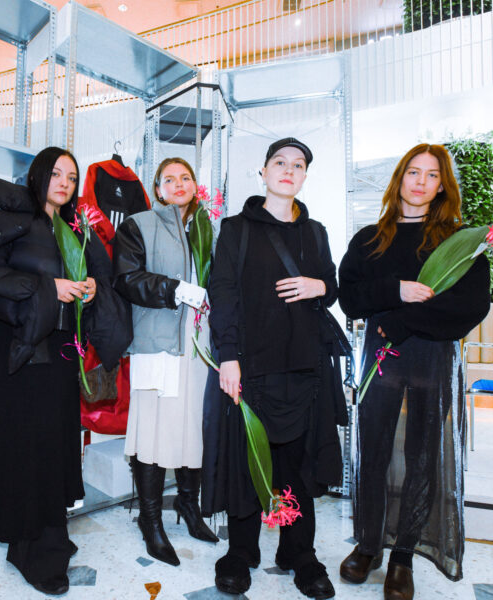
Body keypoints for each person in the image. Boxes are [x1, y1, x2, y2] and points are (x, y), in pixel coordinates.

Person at [337, 143, 491, 600]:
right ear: (399, 178)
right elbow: (350, 298)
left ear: (442, 186)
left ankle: (403, 555)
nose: (421, 182)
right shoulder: (369, 238)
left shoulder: (457, 242)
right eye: (413, 172)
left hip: (430, 360)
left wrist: (403, 321)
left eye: (432, 175)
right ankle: (369, 545)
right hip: (381, 361)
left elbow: (470, 306)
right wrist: (396, 290)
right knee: (373, 453)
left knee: (422, 456)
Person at [0, 147, 128, 596]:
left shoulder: (74, 228)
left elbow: (93, 281)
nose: (64, 182)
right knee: (25, 443)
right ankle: (31, 544)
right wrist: (49, 288)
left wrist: (89, 287)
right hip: (21, 347)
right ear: (38, 175)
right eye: (57, 173)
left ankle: (47, 526)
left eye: (72, 176)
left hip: (61, 349)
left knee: (55, 441)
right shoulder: (9, 220)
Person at [207, 138, 348, 599]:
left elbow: (332, 287)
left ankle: (299, 553)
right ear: (264, 172)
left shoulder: (316, 232)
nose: (289, 170)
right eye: (280, 162)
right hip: (251, 367)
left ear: (305, 176)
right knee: (249, 460)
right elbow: (223, 294)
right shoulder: (236, 229)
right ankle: (241, 551)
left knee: (299, 466)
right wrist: (228, 356)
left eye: (298, 164)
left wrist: (318, 285)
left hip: (306, 366)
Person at [112, 157, 219, 566]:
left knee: (195, 427)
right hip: (157, 342)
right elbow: (127, 278)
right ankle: (150, 519)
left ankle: (189, 506)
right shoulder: (138, 224)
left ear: (194, 184)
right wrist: (177, 289)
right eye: (169, 179)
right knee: (153, 432)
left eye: (185, 177)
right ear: (157, 189)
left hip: (199, 345)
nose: (178, 184)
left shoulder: (207, 229)